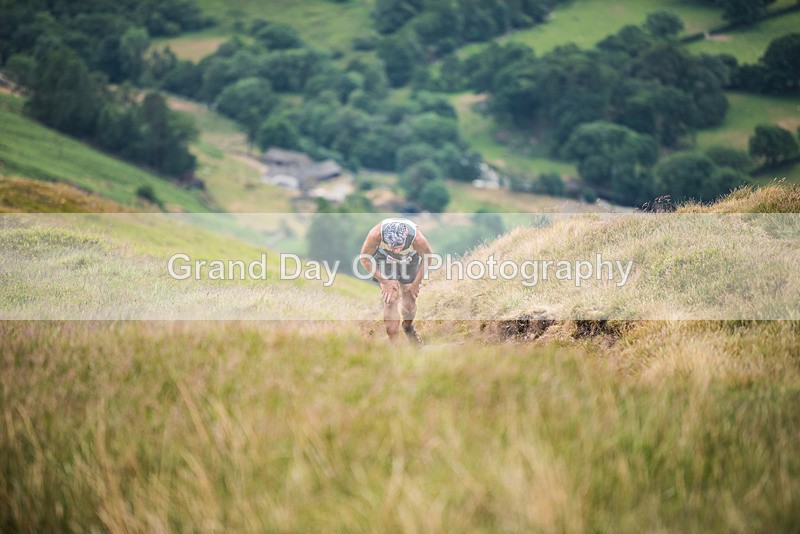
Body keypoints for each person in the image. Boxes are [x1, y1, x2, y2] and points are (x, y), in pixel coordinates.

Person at [359, 217, 433, 346]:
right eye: (393, 247)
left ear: (405, 237)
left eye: (399, 246)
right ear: (384, 239)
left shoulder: (417, 239)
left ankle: (408, 327)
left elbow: (428, 258)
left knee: (409, 302)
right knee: (390, 299)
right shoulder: (375, 234)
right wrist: (384, 281)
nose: (396, 250)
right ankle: (394, 343)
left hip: (410, 258)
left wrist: (416, 283)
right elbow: (364, 259)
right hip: (384, 258)